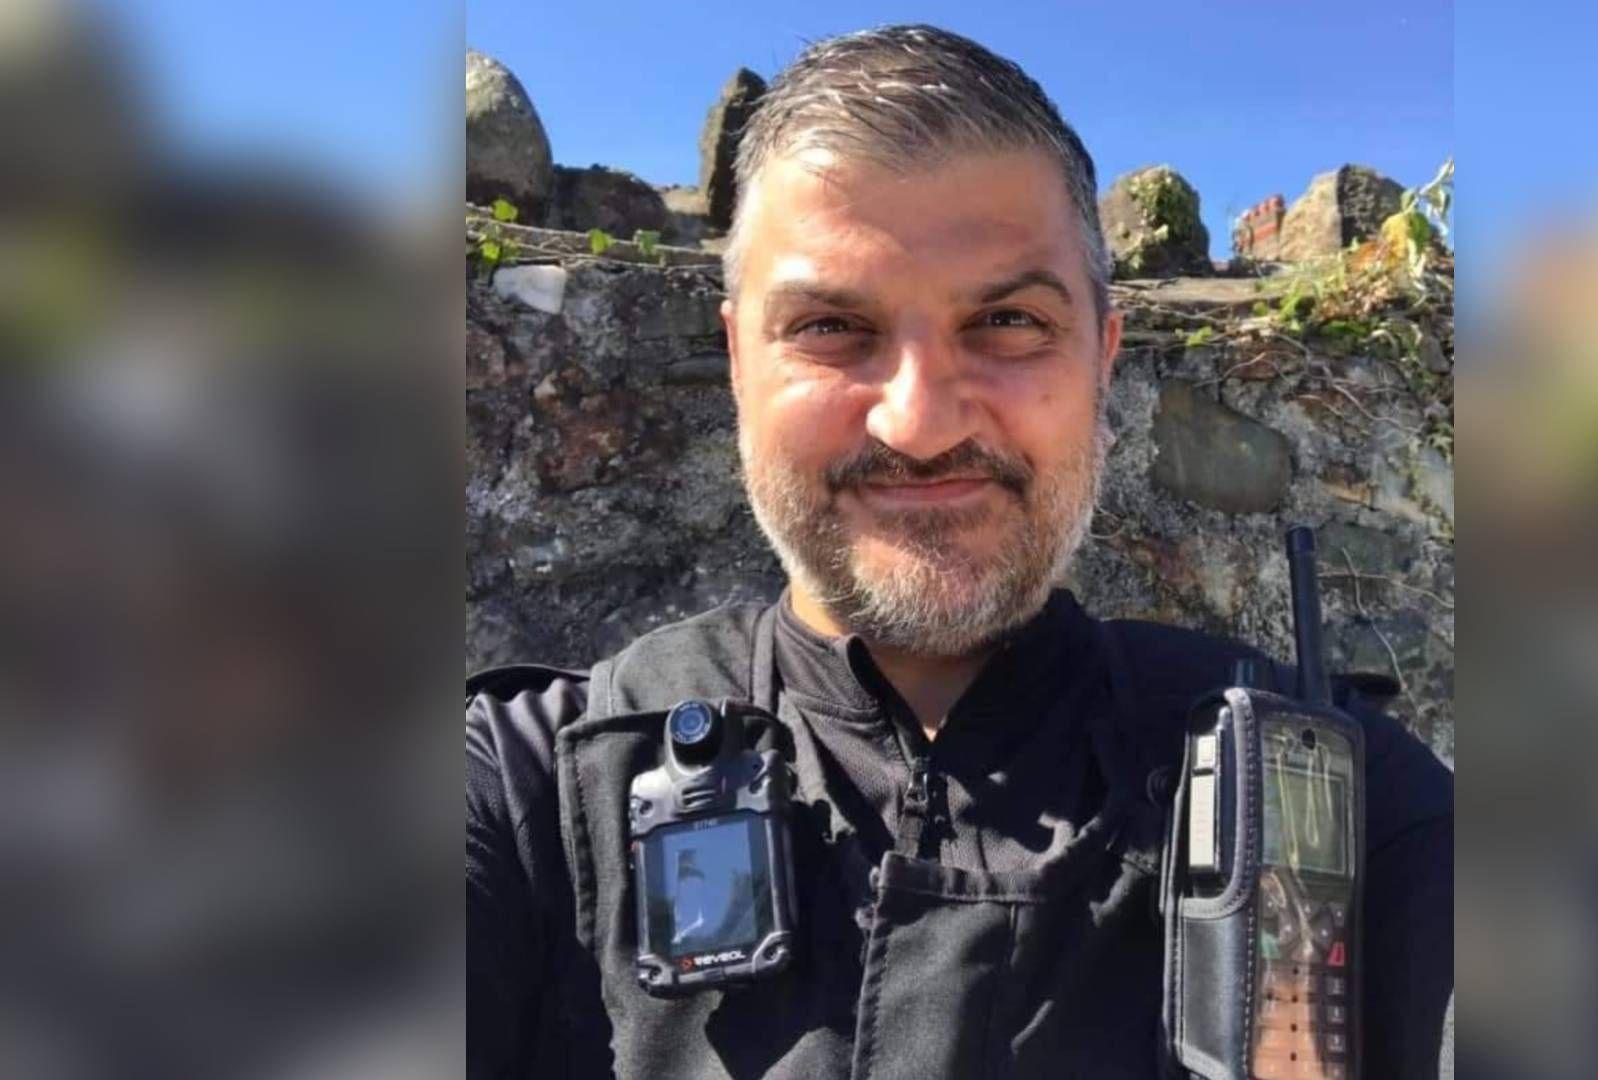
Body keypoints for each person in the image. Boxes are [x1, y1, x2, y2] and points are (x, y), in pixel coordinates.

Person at [466, 24, 1452, 1079]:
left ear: (1102, 364)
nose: (920, 422)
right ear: (737, 361)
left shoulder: (1355, 821)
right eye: (832, 327)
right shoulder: (526, 795)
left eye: (1010, 321)